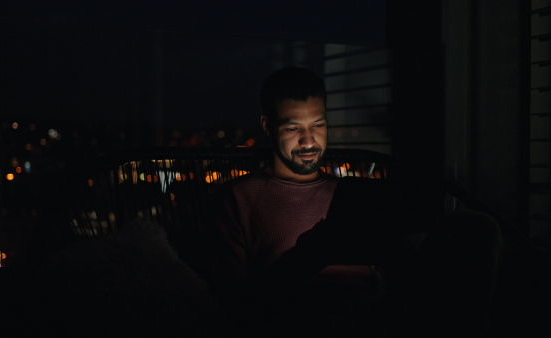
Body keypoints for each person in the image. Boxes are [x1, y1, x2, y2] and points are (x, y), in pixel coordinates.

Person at [205, 66, 502, 337]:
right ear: (268, 126)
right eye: (293, 128)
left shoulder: (351, 194)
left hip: (380, 310)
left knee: (475, 229)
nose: (309, 142)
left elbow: (400, 271)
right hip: (305, 319)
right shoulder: (238, 198)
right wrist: (307, 258)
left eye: (318, 125)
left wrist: (399, 250)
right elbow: (234, 305)